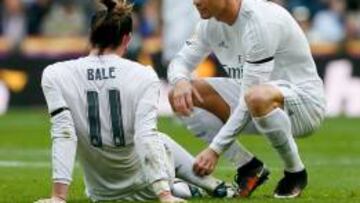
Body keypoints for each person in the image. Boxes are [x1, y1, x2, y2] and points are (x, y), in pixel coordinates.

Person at [35, 0, 235, 202]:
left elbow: (64, 134)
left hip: (101, 194)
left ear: (91, 35)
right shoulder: (144, 75)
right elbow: (145, 136)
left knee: (155, 139)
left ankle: (184, 187)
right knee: (158, 139)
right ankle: (201, 186)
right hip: (147, 188)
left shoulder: (54, 74)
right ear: (127, 38)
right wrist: (164, 196)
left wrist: (58, 198)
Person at [168, 0, 325, 199]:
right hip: (256, 104)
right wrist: (180, 81)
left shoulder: (260, 21)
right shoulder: (209, 24)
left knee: (256, 96)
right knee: (178, 95)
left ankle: (295, 172)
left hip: (304, 105)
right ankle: (248, 167)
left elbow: (249, 96)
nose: (195, 2)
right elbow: (180, 62)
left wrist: (214, 150)